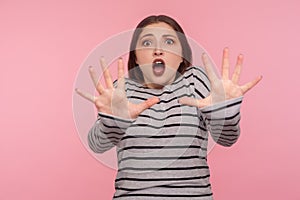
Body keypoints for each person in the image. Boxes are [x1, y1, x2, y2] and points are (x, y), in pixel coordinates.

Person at [75, 15, 262, 200]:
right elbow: (97, 145)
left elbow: (226, 139)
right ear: (136, 57)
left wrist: (224, 113)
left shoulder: (195, 81)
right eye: (147, 43)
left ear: (182, 56)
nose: (158, 50)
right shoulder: (121, 89)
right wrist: (115, 121)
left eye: (169, 41)